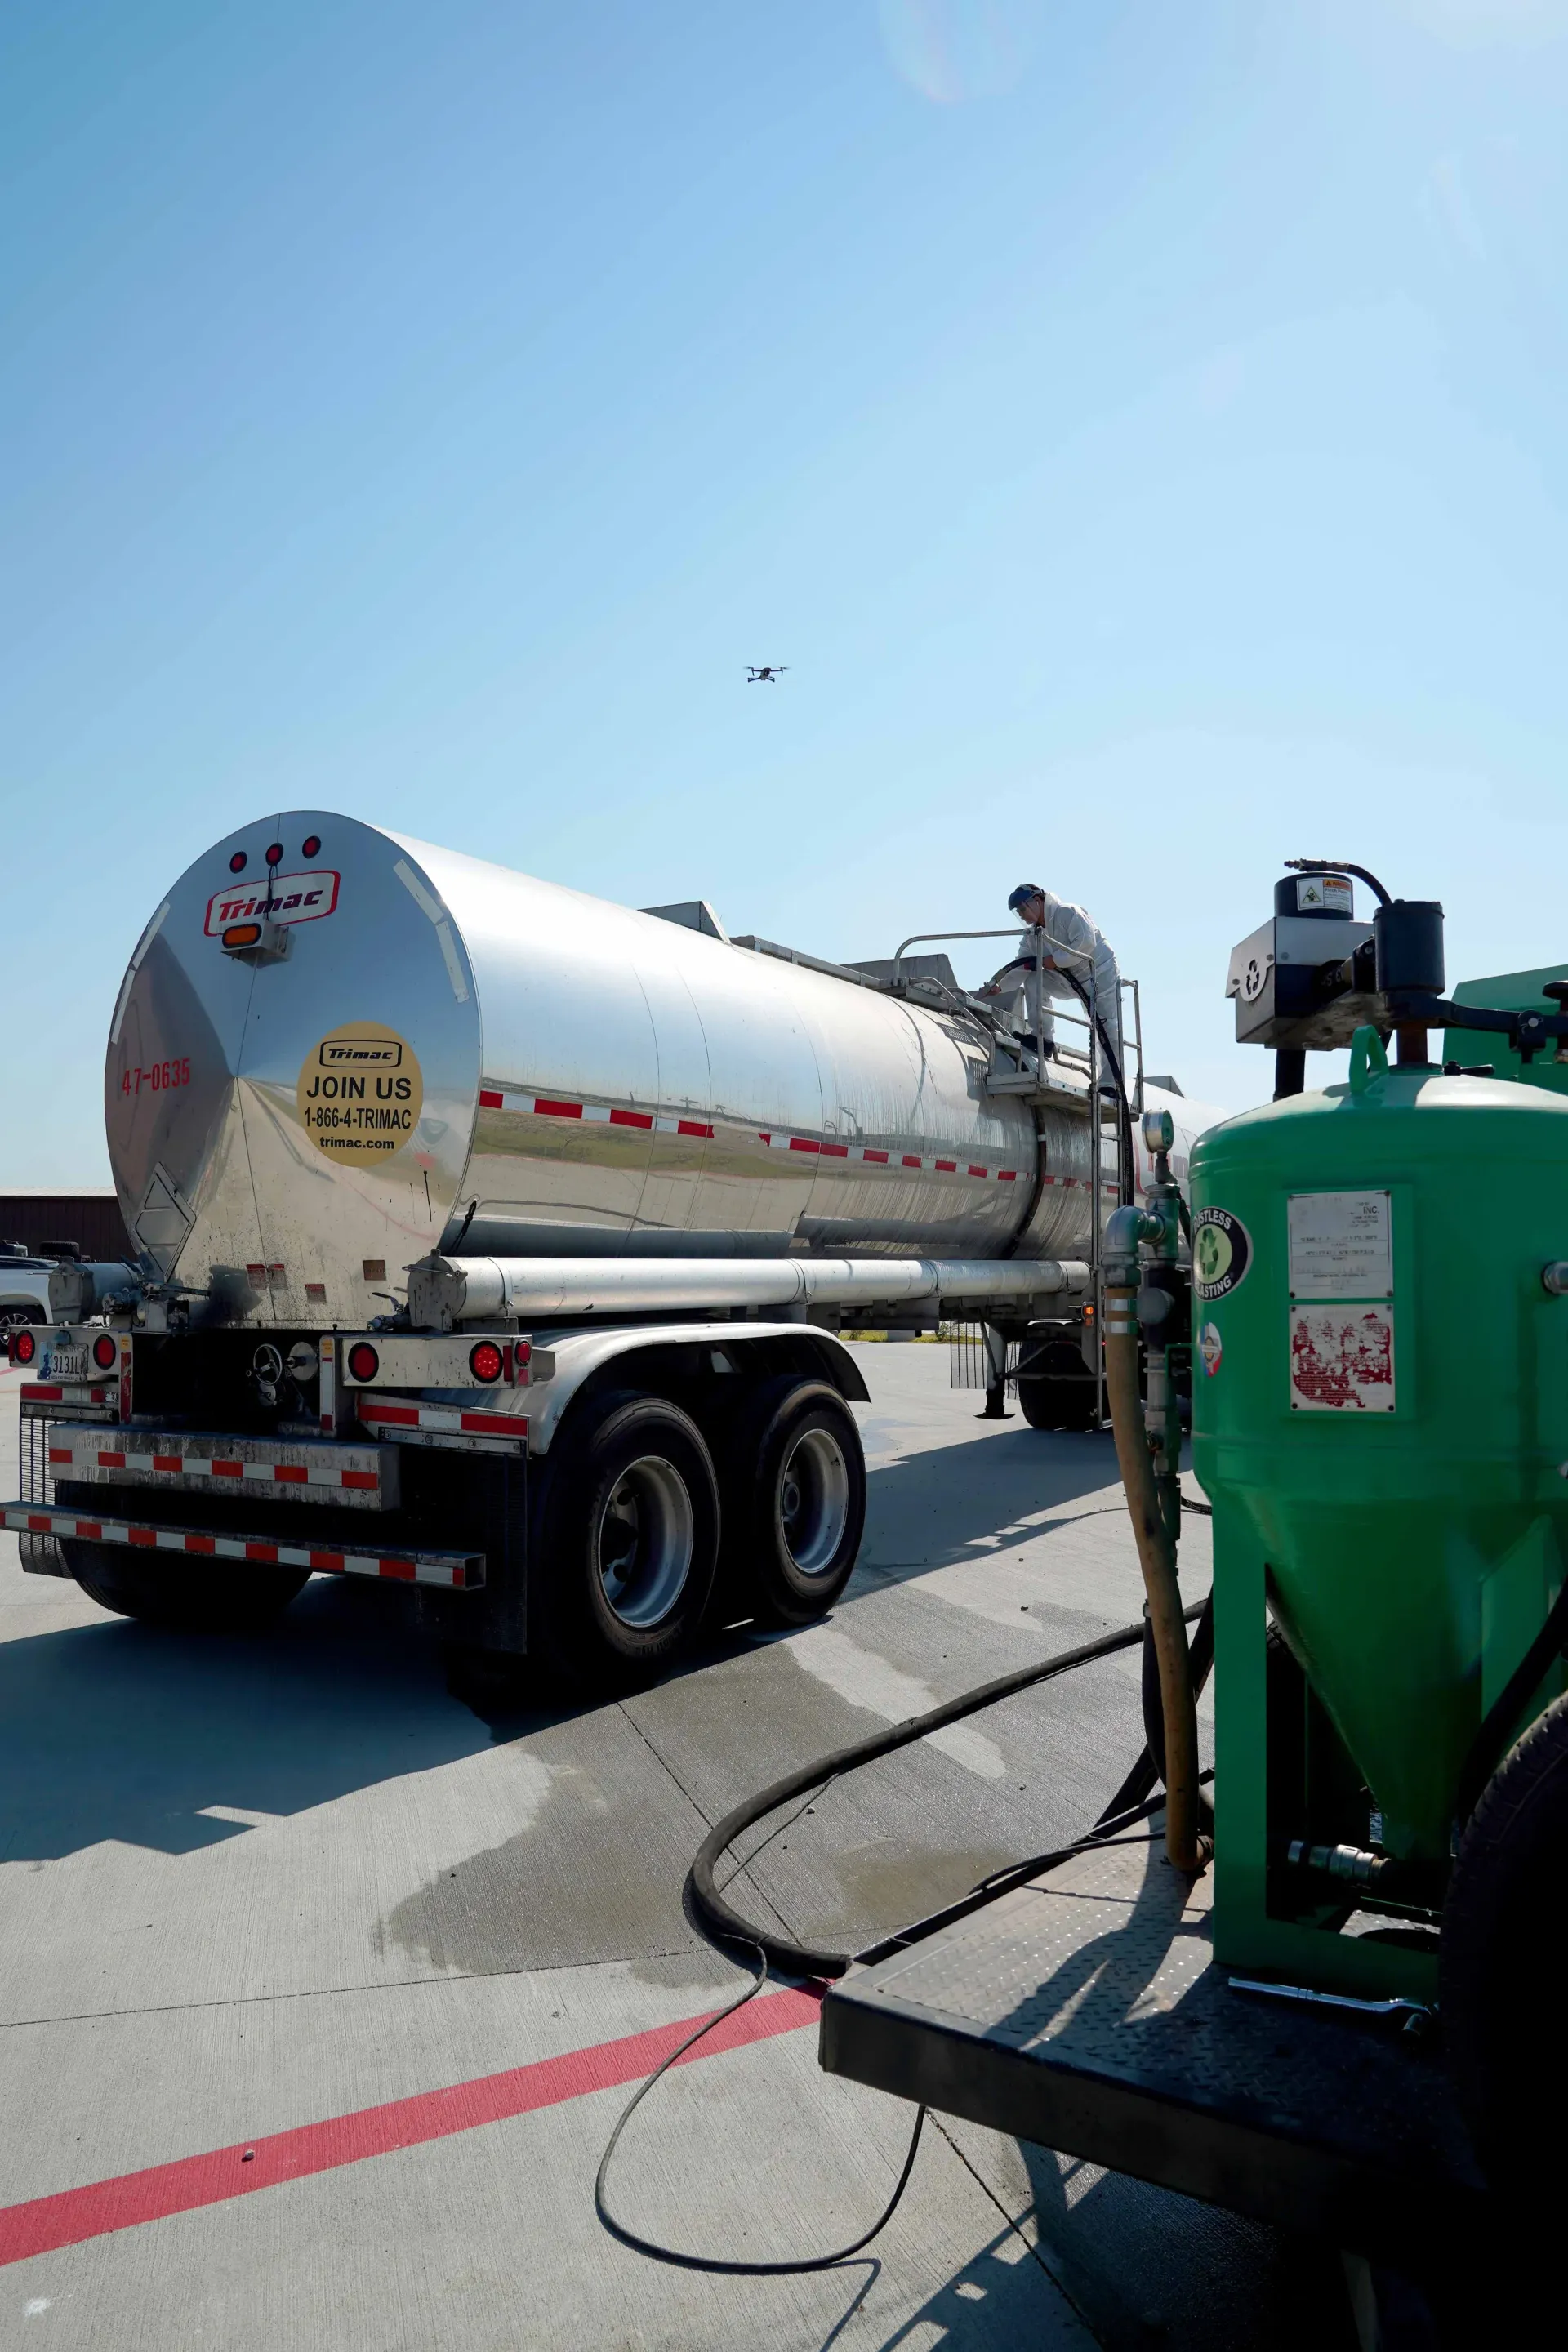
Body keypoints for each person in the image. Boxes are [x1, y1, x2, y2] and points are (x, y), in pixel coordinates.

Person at [979, 883, 1123, 1078]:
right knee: (1033, 977)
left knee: (1106, 1028)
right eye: (1018, 912)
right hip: (1070, 979)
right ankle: (1043, 1038)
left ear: (1037, 901)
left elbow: (1086, 943)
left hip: (1100, 974)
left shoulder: (1067, 913)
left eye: (1023, 909)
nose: (1021, 915)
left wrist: (1055, 960)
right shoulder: (1032, 937)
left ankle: (1111, 1084)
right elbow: (1021, 965)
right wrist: (999, 986)